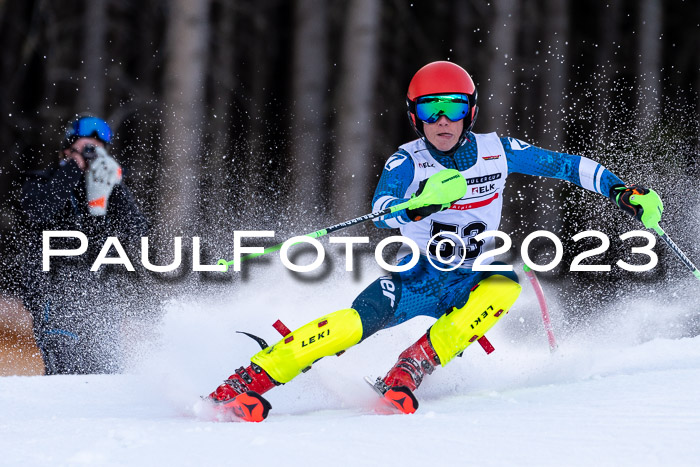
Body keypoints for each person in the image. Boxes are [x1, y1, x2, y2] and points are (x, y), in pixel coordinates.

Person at [207, 61, 663, 421]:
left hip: (473, 273)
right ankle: (247, 380)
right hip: (418, 276)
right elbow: (382, 209)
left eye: (454, 108)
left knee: (505, 287)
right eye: (429, 110)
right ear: (415, 117)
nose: (442, 121)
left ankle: (410, 368)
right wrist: (420, 204)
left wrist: (622, 191)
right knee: (349, 326)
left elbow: (564, 165)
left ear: (471, 111)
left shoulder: (495, 150)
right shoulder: (407, 160)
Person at [20, 115, 149, 374]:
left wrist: (114, 186)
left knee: (105, 374)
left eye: (96, 150)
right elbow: (38, 211)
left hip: (100, 298)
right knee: (65, 372)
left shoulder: (105, 190)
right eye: (85, 148)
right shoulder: (42, 180)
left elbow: (138, 231)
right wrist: (72, 168)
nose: (91, 156)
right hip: (53, 293)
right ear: (67, 148)